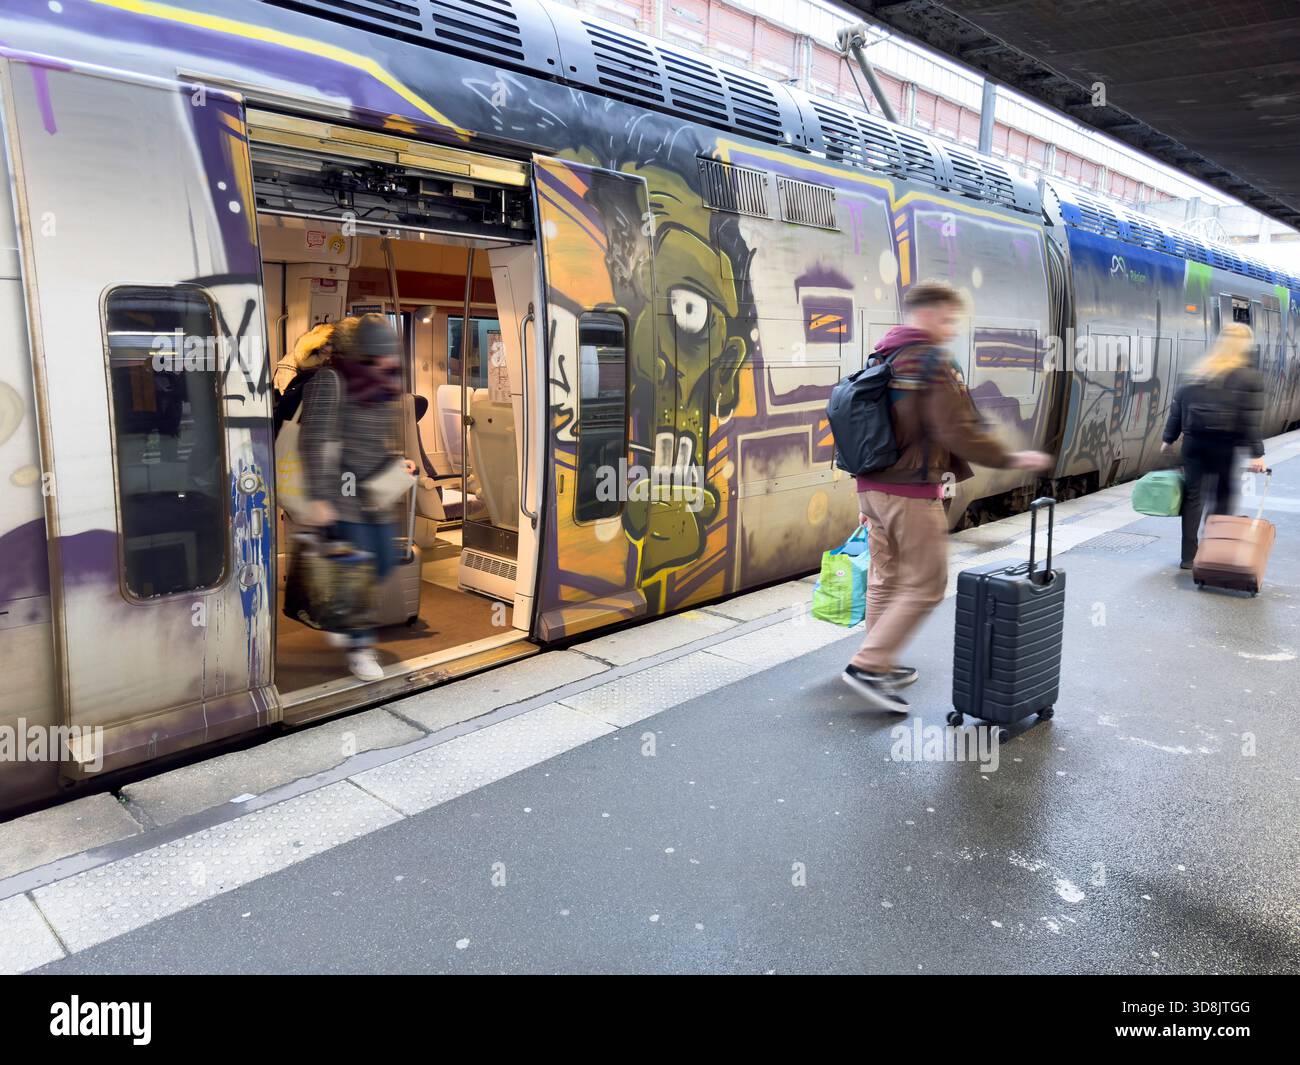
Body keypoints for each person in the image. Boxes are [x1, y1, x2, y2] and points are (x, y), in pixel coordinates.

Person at [842, 280, 1053, 712]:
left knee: (887, 577)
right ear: (930, 314)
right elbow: (958, 431)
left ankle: (877, 660)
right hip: (910, 491)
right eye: (948, 317)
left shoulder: (885, 352)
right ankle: (868, 666)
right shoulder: (933, 362)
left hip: (871, 488)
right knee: (927, 584)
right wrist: (1014, 458)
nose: (952, 326)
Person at [297, 313, 416, 681]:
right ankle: (358, 644)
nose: (387, 361)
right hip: (342, 492)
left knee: (382, 562)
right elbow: (314, 441)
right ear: (362, 353)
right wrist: (319, 497)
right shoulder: (329, 381)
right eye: (379, 355)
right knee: (358, 571)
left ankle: (345, 623)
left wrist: (399, 465)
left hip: (374, 492)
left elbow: (378, 440)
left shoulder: (381, 386)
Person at [1160, 322, 1267, 569]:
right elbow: (1250, 418)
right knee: (1223, 497)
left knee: (1193, 497)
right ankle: (1212, 551)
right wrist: (1256, 454)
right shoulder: (1249, 377)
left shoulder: (1200, 371)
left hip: (1194, 444)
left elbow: (1178, 408)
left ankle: (1188, 557)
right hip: (1224, 446)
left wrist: (1168, 439)